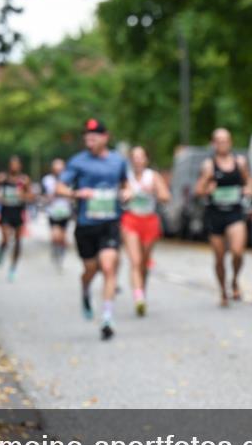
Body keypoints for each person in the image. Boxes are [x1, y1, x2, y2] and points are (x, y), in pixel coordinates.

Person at [56, 118, 130, 341]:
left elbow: (125, 184)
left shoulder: (118, 161)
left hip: (110, 223)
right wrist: (76, 193)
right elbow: (60, 187)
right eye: (86, 136)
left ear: (105, 137)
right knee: (90, 269)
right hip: (86, 225)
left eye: (94, 136)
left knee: (108, 267)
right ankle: (85, 287)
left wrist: (127, 193)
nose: (89, 139)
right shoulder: (78, 162)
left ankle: (107, 318)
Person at [195, 128, 252, 307]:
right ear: (213, 144)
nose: (222, 144)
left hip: (235, 212)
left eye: (225, 140)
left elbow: (249, 180)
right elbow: (198, 191)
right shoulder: (208, 165)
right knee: (220, 258)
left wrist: (249, 189)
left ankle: (234, 280)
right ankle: (223, 290)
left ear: (230, 142)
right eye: (219, 141)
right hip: (215, 215)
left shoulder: (240, 162)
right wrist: (207, 187)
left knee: (237, 251)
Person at [122, 146, 170, 316]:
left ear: (146, 160)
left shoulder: (153, 176)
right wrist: (125, 194)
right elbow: (119, 196)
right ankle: (139, 298)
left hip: (149, 221)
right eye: (134, 157)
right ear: (131, 160)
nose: (137, 160)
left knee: (144, 262)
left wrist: (154, 191)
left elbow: (166, 197)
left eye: (140, 157)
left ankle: (142, 290)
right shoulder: (125, 177)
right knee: (135, 261)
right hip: (131, 220)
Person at [0, 156, 33, 281]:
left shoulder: (24, 180)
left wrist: (23, 196)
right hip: (6, 211)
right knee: (5, 238)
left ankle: (13, 268)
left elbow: (31, 196)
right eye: (12, 164)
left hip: (18, 212)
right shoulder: (2, 178)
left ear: (20, 166)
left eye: (16, 164)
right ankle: (2, 249)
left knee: (18, 241)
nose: (14, 167)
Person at [42, 159, 72, 272]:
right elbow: (43, 195)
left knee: (63, 237)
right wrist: (50, 196)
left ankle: (61, 255)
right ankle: (55, 249)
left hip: (65, 211)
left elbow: (72, 194)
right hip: (53, 211)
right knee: (55, 236)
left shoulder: (69, 180)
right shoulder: (47, 180)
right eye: (56, 169)